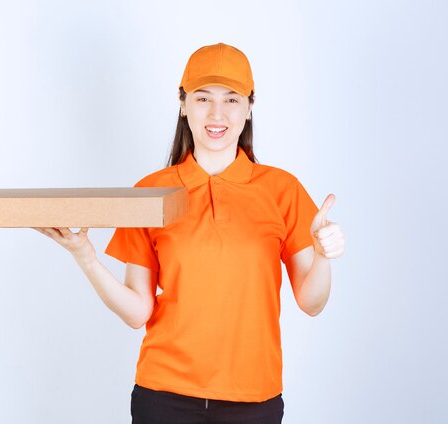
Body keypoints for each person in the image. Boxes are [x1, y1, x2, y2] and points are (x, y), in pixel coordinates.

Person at [34, 42, 345, 424]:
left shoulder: (282, 190)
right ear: (183, 105)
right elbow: (137, 312)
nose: (217, 113)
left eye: (232, 99)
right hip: (164, 397)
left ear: (250, 107)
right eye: (202, 98)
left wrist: (323, 256)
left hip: (254, 399)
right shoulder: (150, 192)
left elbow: (312, 303)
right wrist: (85, 256)